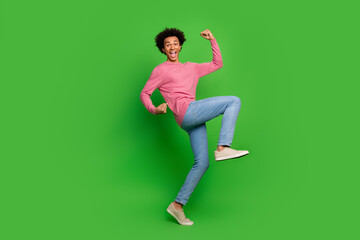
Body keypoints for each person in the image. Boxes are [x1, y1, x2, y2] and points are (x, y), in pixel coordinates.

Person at [140, 27, 249, 225]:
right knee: (233, 101)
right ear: (163, 50)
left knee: (202, 163)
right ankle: (223, 147)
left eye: (174, 43)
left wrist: (212, 40)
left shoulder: (192, 68)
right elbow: (144, 93)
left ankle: (177, 205)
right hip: (186, 111)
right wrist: (153, 109)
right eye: (167, 45)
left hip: (191, 119)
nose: (171, 47)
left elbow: (218, 63)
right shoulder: (161, 70)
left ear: (180, 46)